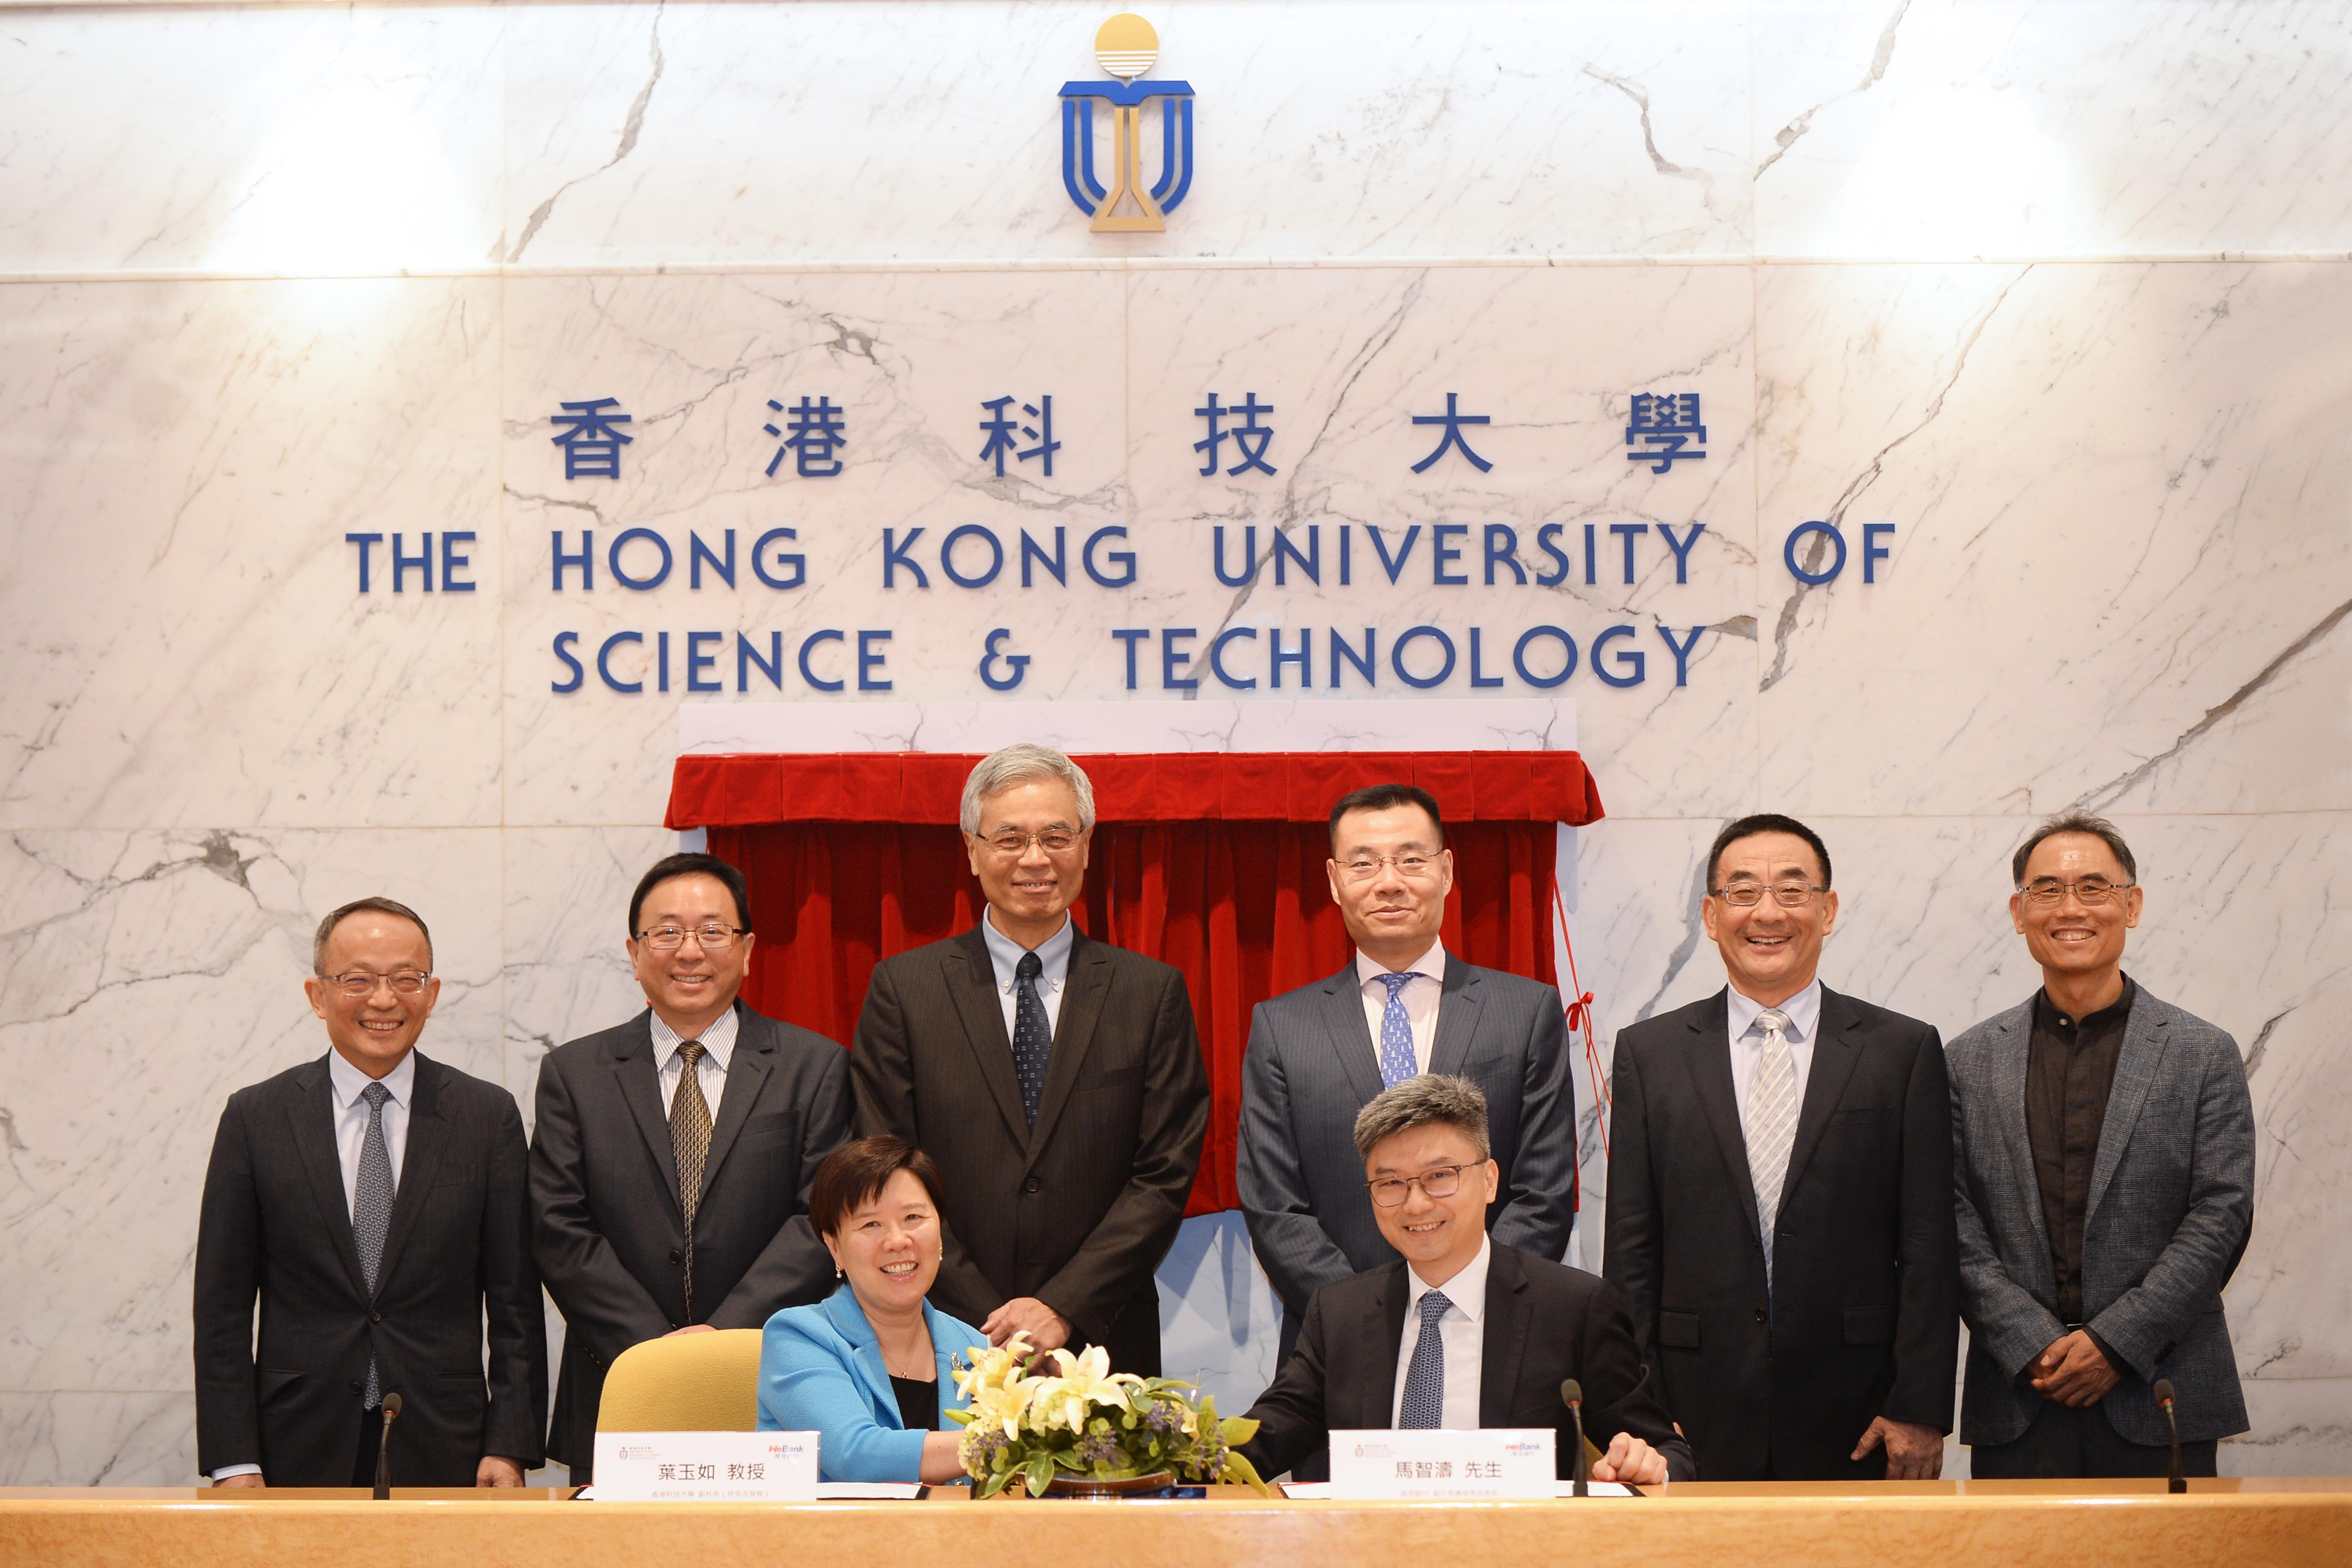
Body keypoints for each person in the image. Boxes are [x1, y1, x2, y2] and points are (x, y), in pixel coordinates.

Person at [1604, 813, 1957, 1481]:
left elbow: (1928, 1243)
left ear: (1826, 911)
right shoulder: (1648, 1054)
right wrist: (1638, 1403)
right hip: (1690, 1407)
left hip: (1857, 1410)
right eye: (1742, 892)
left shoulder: (1899, 1050)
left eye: (1791, 891)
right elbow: (1630, 1248)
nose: (1766, 913)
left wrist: (1918, 1403)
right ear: (1710, 915)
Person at [852, 744, 1210, 1376]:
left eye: (1055, 835)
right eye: (1010, 838)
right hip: (946, 1337)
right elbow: (889, 1166)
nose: (1035, 858)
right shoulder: (905, 990)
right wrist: (991, 1318)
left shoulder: (1149, 993)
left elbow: (1163, 1175)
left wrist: (1061, 1307)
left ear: (1087, 843)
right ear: (971, 848)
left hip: (1103, 1340)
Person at [194, 898, 544, 1487]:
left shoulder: (487, 1117)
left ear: (431, 994)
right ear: (317, 994)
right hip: (294, 1442)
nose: (384, 999)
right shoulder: (256, 1117)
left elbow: (516, 1304)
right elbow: (223, 1309)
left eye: (406, 979)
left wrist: (508, 1445)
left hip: (446, 1441)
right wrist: (235, 1458)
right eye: (357, 979)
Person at [1948, 812, 2255, 1478]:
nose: (2069, 909)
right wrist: (2030, 1342)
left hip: (2160, 1390)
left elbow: (2220, 1214)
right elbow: (1948, 1219)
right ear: (2017, 911)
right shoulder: (1965, 1060)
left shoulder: (2201, 1053)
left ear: (2130, 904)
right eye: (2046, 890)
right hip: (2018, 1396)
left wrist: (2116, 1343)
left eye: (2092, 888)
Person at [531, 851, 852, 1481]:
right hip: (618, 1381)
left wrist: (719, 1343)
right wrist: (654, 1351)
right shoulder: (574, 1074)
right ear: (634, 950)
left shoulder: (814, 1066)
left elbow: (820, 1217)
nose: (689, 951)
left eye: (712, 930)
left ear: (748, 947)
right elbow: (558, 1225)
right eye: (667, 931)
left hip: (772, 1373)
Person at [1238, 783, 1578, 1373]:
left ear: (1446, 871)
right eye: (1363, 862)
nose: (1388, 880)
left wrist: (1469, 1300)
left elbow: (1543, 1188)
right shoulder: (1282, 1025)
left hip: (1496, 1342)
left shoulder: (1524, 1010)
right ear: (1333, 878)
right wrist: (1361, 1315)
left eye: (1411, 859)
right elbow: (1274, 1204)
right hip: (1336, 1350)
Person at [1239, 1076, 1690, 1484]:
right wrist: (1180, 1447)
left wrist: (1646, 1464)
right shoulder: (1339, 1312)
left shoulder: (1572, 1307)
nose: (1415, 1204)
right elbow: (1265, 1436)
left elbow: (1664, 1449)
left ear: (1490, 1180)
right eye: (1391, 1183)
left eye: (1439, 1176)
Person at [758, 1137, 984, 1483]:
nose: (897, 1240)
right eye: (870, 1224)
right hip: (831, 1536)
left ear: (940, 1232)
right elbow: (855, 1454)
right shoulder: (798, 1337)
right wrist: (1010, 1441)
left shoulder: (976, 1348)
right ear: (834, 1246)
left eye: (913, 1217)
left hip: (953, 1536)